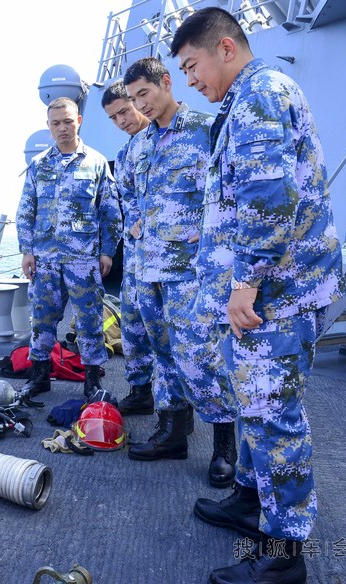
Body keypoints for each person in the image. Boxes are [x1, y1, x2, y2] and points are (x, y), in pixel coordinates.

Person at [171, 7, 346, 583]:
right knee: (252, 404)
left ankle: (285, 554)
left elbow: (269, 193)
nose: (191, 80)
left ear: (225, 47)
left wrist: (248, 279)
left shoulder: (260, 93)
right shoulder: (245, 97)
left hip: (276, 291)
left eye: (192, 66)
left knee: (274, 417)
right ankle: (251, 500)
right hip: (265, 288)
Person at [119, 57, 238, 489]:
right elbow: (129, 190)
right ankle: (173, 431)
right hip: (147, 267)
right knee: (164, 352)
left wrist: (208, 233)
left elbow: (230, 188)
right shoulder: (139, 144)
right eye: (133, 99)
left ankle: (226, 446)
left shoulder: (206, 129)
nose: (140, 106)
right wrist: (134, 221)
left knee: (200, 356)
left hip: (190, 273)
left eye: (144, 94)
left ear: (166, 83)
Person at [16, 96, 122, 399]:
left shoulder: (97, 162)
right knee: (42, 319)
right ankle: (39, 376)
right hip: (46, 259)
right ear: (48, 126)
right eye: (55, 123)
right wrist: (27, 250)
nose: (62, 128)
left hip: (83, 259)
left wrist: (107, 251)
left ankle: (92, 381)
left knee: (89, 320)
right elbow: (26, 210)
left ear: (79, 121)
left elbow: (110, 211)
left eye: (67, 121)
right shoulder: (39, 165)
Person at [101, 80, 155, 415]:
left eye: (125, 110)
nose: (122, 120)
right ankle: (140, 391)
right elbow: (128, 201)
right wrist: (132, 221)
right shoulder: (124, 155)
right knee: (133, 328)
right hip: (137, 261)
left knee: (171, 338)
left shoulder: (175, 139)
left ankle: (177, 410)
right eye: (113, 117)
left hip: (175, 262)